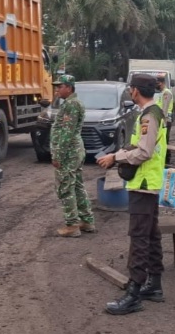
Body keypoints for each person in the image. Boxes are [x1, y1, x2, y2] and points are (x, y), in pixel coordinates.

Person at [96, 74, 168, 314]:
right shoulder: (153, 113)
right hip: (148, 182)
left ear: (136, 91)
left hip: (144, 184)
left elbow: (144, 152)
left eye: (130, 88)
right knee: (150, 233)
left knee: (138, 237)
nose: (129, 91)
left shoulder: (149, 116)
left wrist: (115, 157)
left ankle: (134, 292)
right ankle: (154, 285)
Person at [50, 73, 95, 237]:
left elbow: (66, 133)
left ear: (68, 88)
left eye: (60, 87)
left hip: (69, 152)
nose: (57, 90)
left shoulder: (71, 105)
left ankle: (72, 225)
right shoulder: (71, 103)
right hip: (74, 150)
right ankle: (86, 221)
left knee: (65, 187)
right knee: (76, 185)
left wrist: (58, 155)